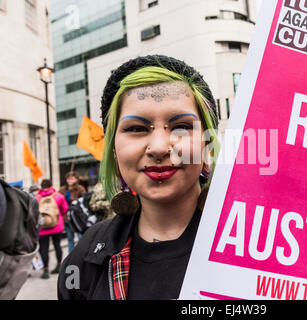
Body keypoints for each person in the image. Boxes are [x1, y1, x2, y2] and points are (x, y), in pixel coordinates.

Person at [58, 55, 219, 300]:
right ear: (114, 149)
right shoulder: (85, 256)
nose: (158, 147)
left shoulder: (258, 247)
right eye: (136, 129)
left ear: (206, 143)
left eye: (181, 127)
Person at [36, 179, 69, 279]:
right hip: (57, 226)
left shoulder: (37, 198)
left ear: (41, 186)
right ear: (51, 185)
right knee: (57, 246)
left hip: (42, 227)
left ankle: (45, 270)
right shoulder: (58, 196)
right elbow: (65, 209)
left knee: (44, 249)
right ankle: (59, 265)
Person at [59, 171, 86, 252]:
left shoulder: (80, 188)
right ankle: (71, 257)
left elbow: (84, 201)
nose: (70, 181)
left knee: (81, 238)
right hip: (67, 218)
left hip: (78, 217)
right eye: (68, 179)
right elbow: (59, 201)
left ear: (76, 179)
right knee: (70, 239)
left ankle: (81, 253)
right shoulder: (63, 189)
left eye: (72, 179)